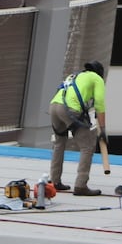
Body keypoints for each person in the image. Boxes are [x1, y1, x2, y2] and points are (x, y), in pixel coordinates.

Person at [48, 61, 106, 197]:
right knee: (87, 146)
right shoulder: (97, 79)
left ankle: (55, 181)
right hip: (69, 109)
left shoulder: (75, 76)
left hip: (54, 107)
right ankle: (81, 185)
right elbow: (100, 104)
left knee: (59, 143)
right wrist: (102, 130)